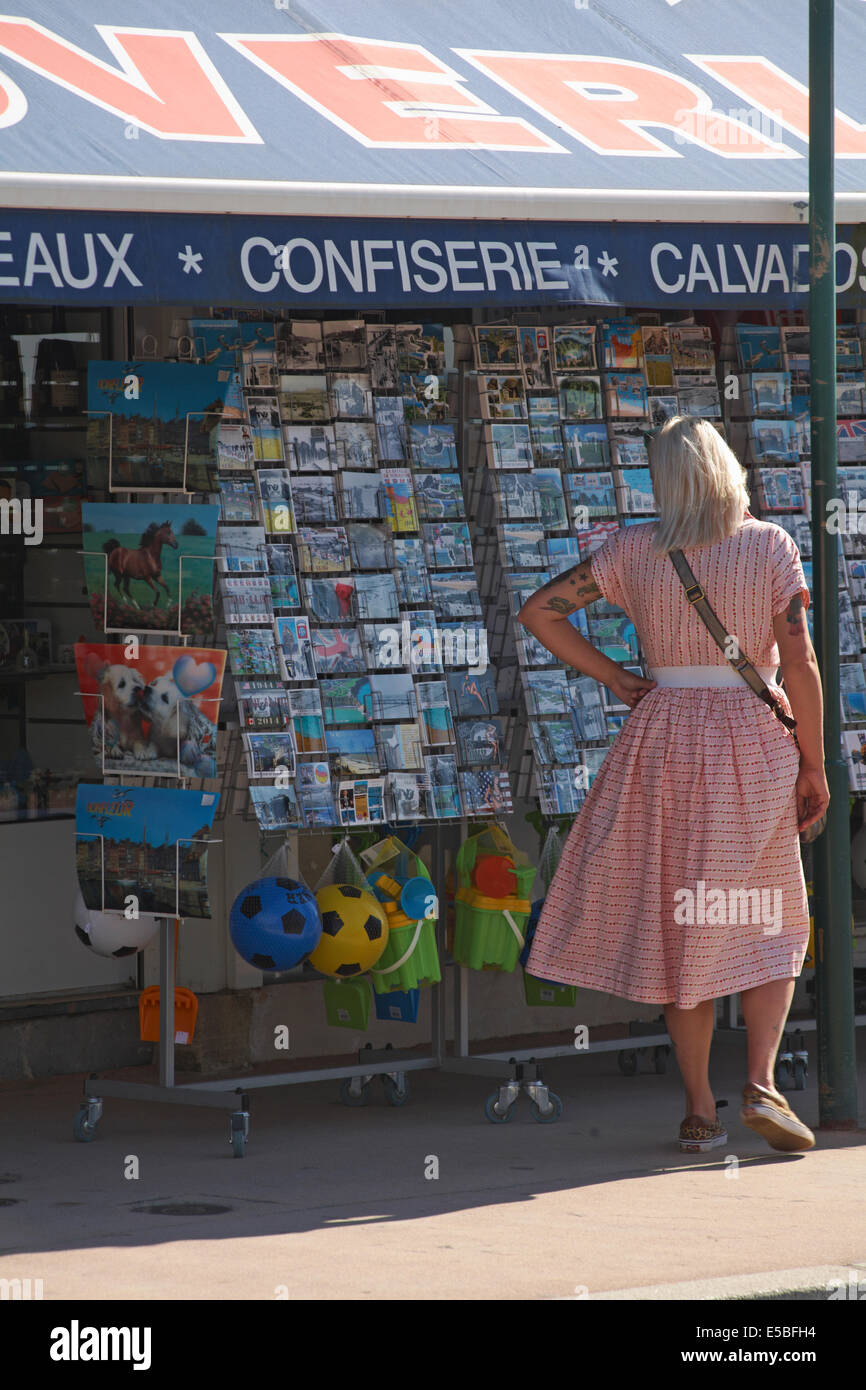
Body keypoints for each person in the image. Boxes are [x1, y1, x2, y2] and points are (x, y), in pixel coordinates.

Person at [518, 416, 829, 1155]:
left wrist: (619, 677)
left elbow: (539, 611)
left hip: (661, 741)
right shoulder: (769, 548)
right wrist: (815, 763)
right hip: (752, 741)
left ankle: (698, 1110)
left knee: (685, 924)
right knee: (771, 913)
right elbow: (802, 661)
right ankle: (760, 1082)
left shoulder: (634, 551)